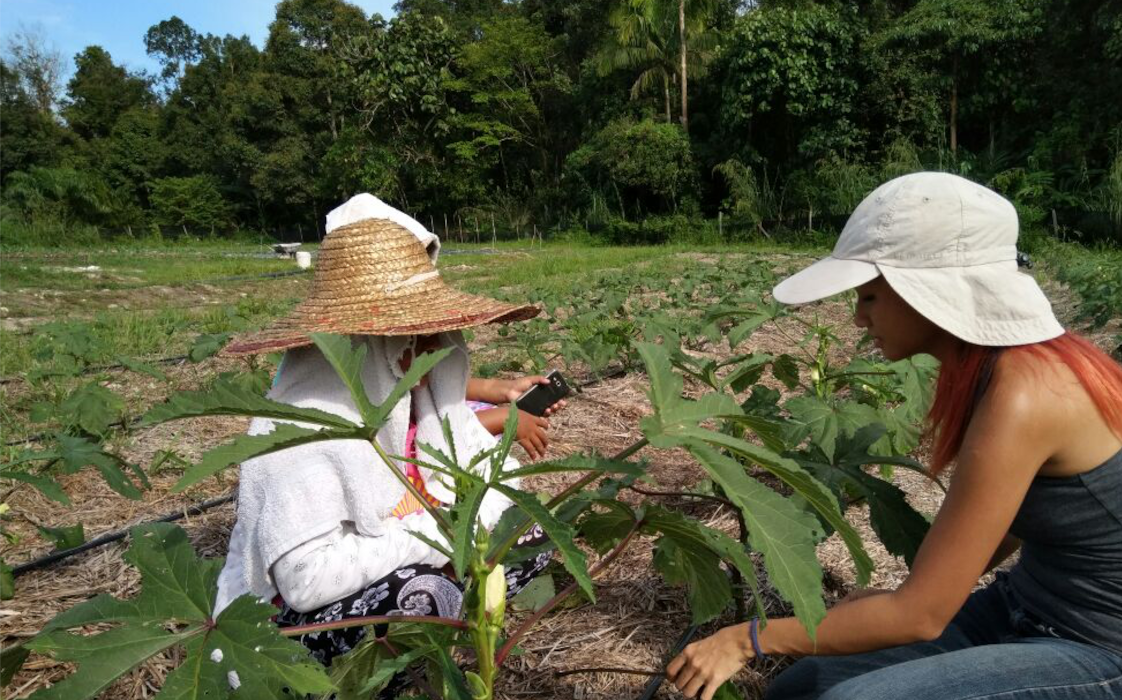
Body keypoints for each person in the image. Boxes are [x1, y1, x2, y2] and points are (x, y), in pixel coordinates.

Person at [666, 172, 1122, 700]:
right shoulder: (999, 371)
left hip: (1098, 646)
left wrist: (749, 638)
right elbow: (1013, 522)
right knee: (804, 685)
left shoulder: (1026, 394)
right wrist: (915, 594)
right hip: (1023, 604)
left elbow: (922, 619)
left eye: (869, 296)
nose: (858, 318)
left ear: (928, 293)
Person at [213, 204, 559, 672]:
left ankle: (451, 622)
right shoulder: (309, 425)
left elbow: (491, 482)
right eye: (418, 336)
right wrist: (439, 536)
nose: (438, 349)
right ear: (372, 344)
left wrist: (460, 533)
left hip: (416, 550)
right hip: (303, 620)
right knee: (425, 594)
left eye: (438, 333)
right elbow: (305, 581)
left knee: (534, 532)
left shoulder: (417, 404)